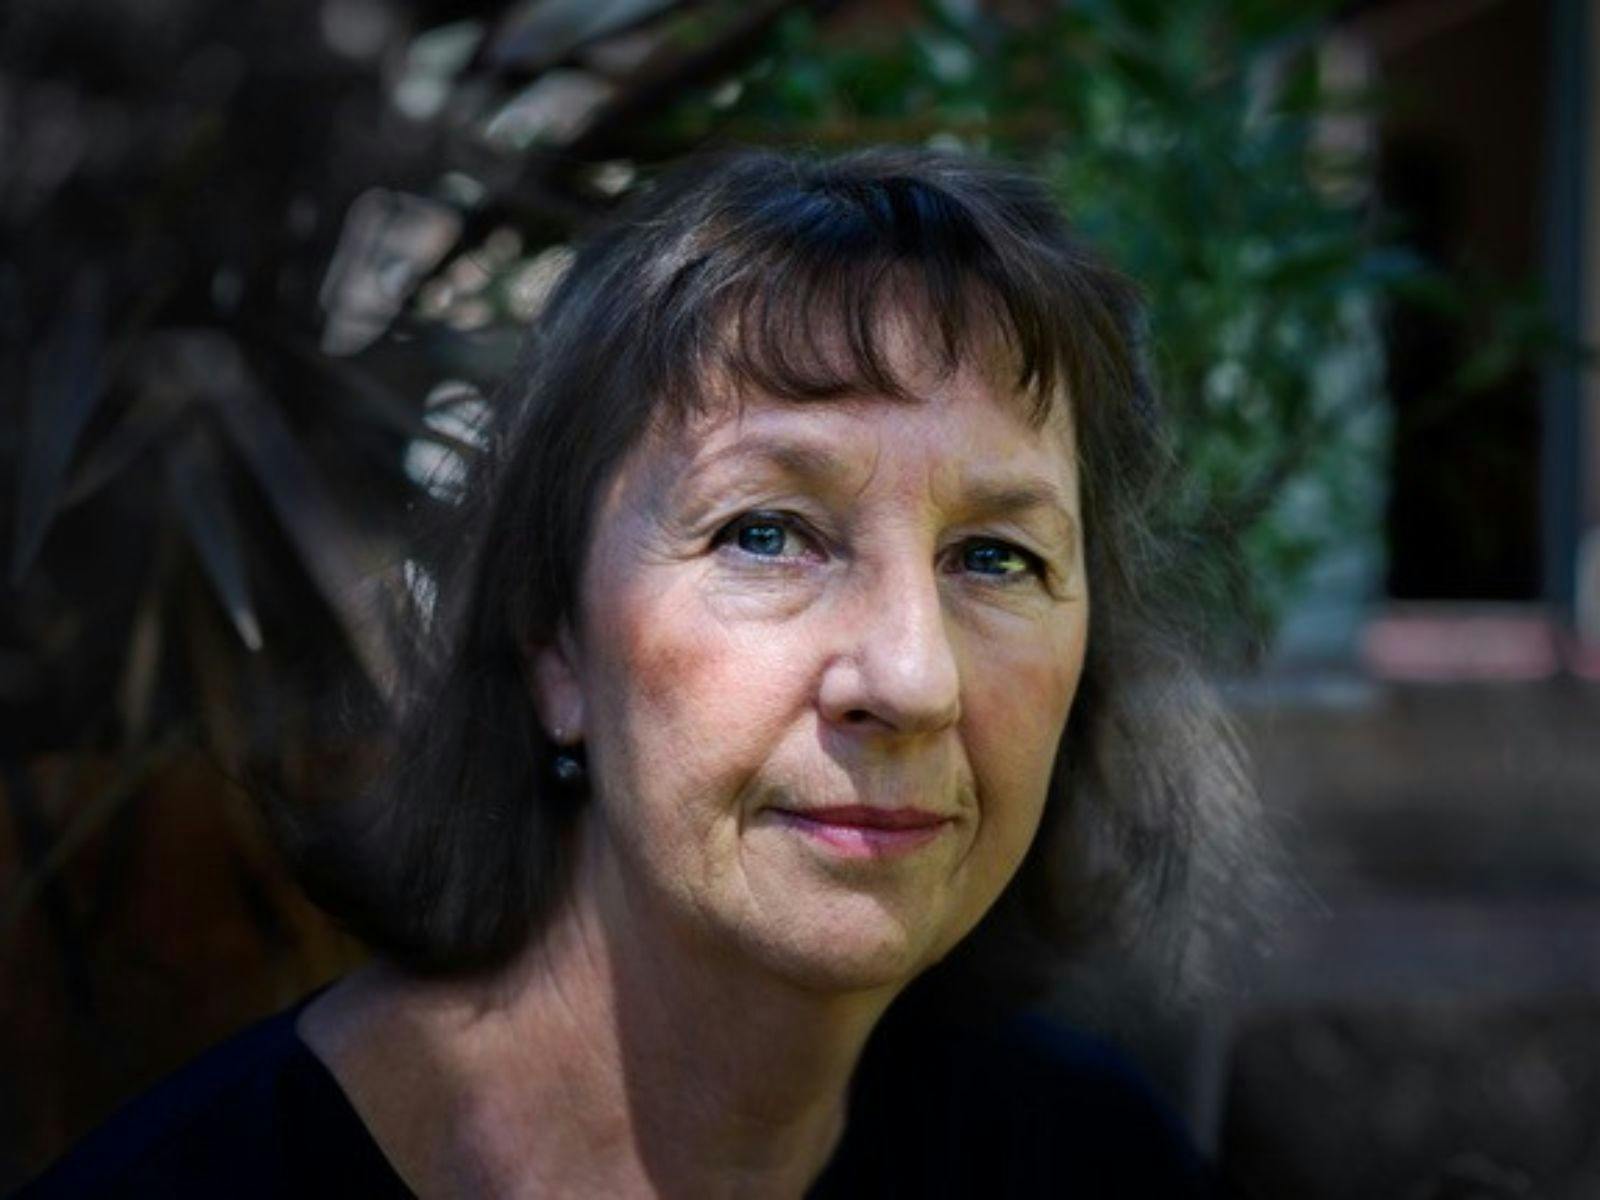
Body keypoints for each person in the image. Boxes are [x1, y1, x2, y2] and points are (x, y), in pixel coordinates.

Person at [21, 147, 1259, 1197]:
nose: (911, 677)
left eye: (995, 557)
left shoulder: (1095, 1159)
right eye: (764, 533)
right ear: (552, 640)